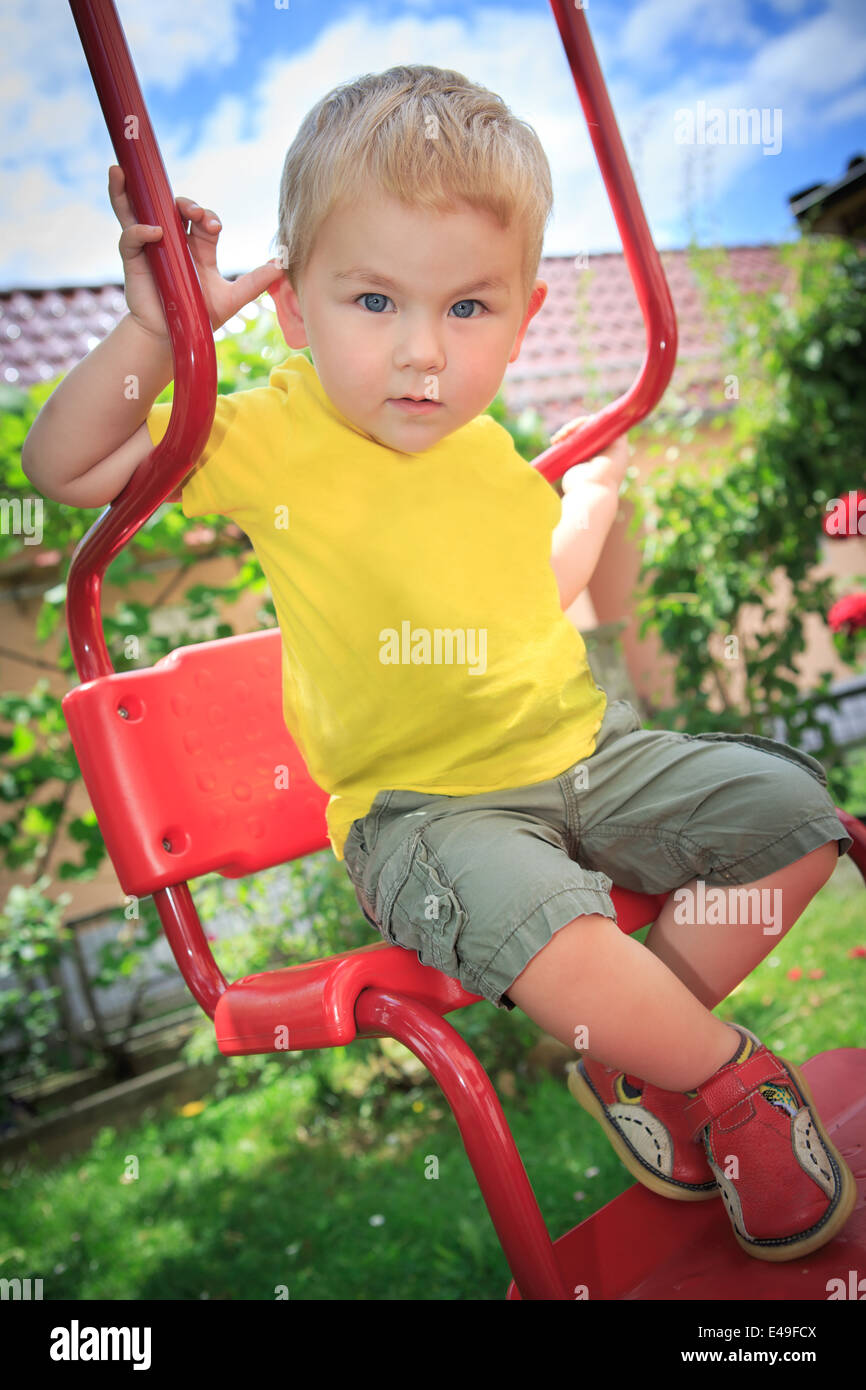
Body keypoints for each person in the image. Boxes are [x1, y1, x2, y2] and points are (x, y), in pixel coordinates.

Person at [23, 64, 856, 1265]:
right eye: (374, 301)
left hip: (588, 759)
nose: (422, 352)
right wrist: (161, 338)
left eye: (467, 309)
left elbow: (541, 588)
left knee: (792, 815)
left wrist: (594, 497)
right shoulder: (270, 428)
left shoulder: (483, 455)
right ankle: (725, 1083)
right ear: (296, 310)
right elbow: (67, 468)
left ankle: (637, 1051)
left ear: (518, 321)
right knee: (543, 919)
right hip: (425, 815)